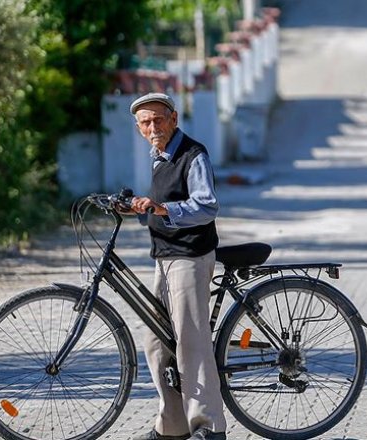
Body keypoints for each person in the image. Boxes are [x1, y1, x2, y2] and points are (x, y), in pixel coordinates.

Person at [127, 92, 226, 440]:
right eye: (145, 122)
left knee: (190, 342)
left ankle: (209, 427)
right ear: (138, 128)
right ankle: (172, 427)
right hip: (165, 256)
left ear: (173, 119)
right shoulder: (158, 157)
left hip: (190, 257)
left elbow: (206, 205)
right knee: (156, 342)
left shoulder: (192, 154)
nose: (152, 127)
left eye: (158, 119)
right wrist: (142, 209)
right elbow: (162, 206)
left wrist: (164, 210)